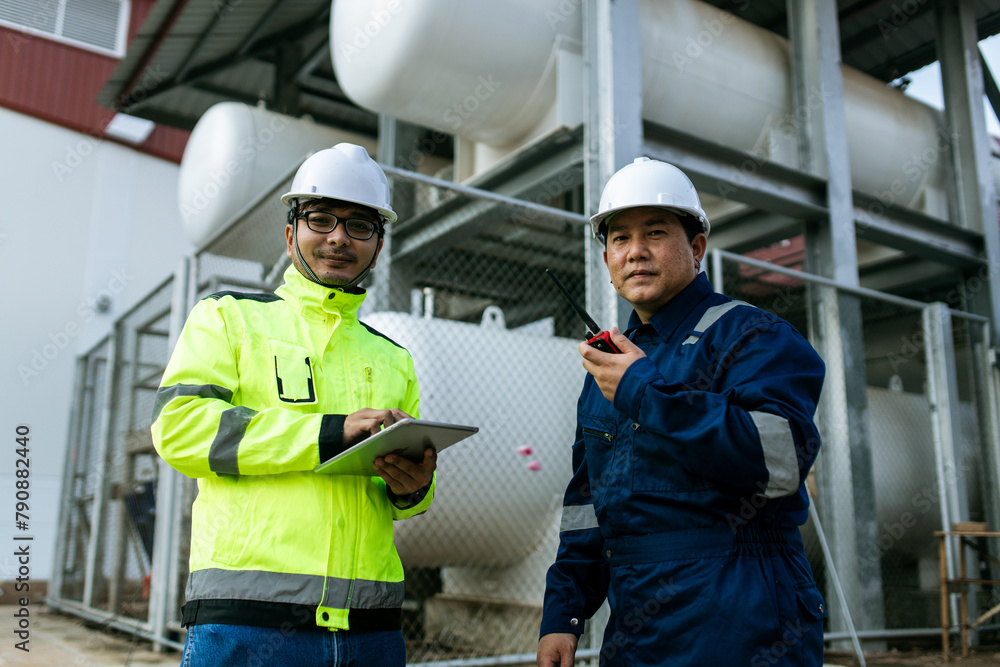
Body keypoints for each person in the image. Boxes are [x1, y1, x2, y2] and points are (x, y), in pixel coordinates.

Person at [151, 142, 436, 667]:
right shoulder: (228, 318)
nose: (338, 238)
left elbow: (408, 500)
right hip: (247, 622)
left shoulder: (394, 358)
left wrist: (413, 488)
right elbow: (180, 430)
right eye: (321, 219)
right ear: (290, 235)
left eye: (360, 226)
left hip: (369, 628)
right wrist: (329, 433)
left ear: (378, 244)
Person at [536, 157, 827, 666]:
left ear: (696, 248)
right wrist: (564, 615)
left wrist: (644, 392)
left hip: (743, 618)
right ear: (606, 260)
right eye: (620, 239)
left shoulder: (752, 336)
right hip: (637, 629)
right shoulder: (610, 366)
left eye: (655, 232)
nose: (636, 252)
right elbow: (587, 504)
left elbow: (779, 461)